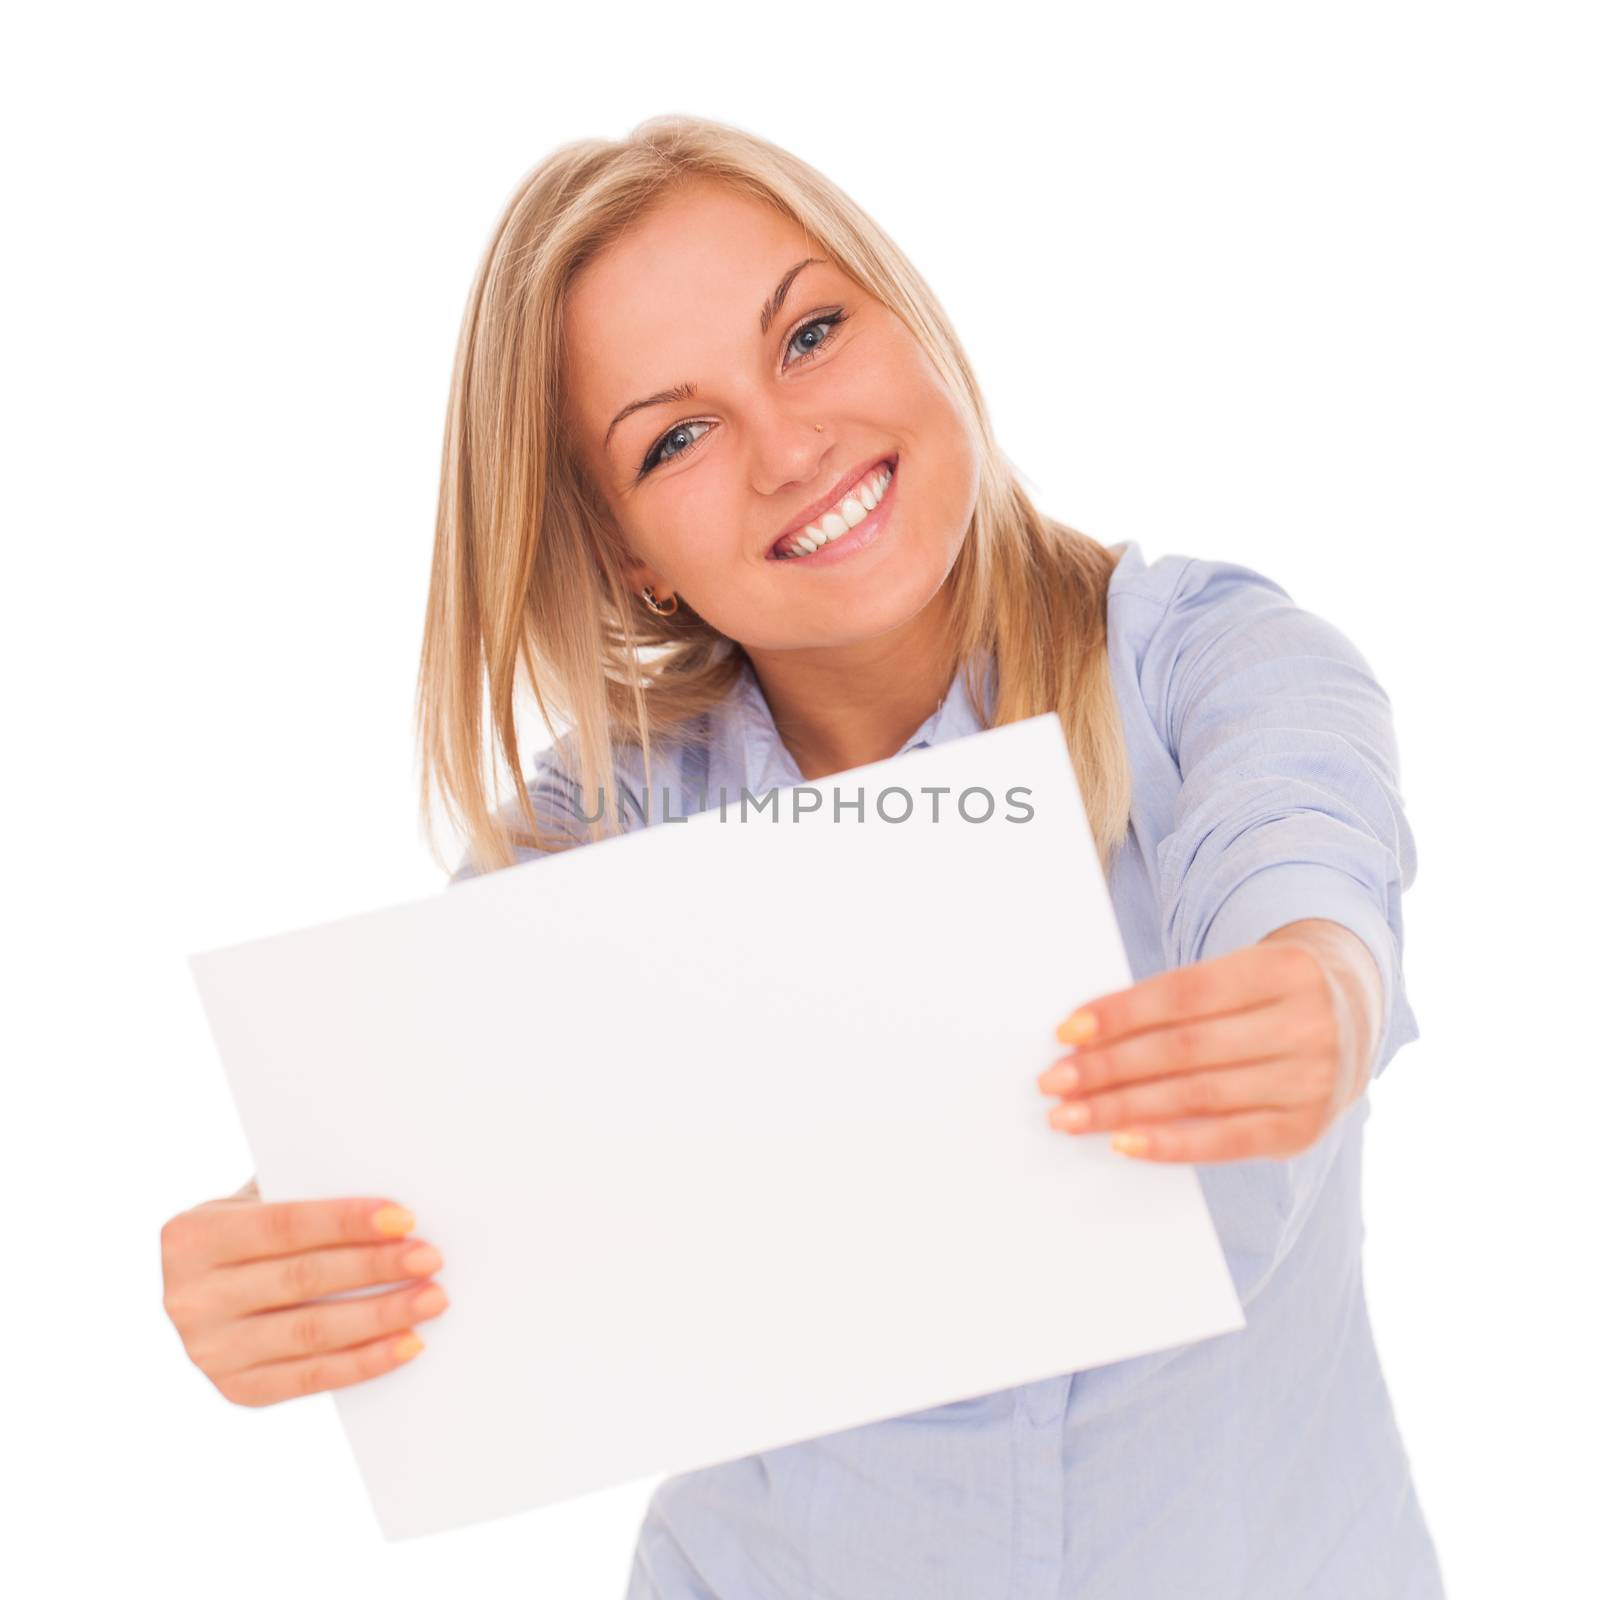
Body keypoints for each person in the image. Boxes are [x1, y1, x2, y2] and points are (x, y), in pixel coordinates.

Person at [162, 114, 1444, 1596]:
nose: (790, 447)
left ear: (910, 319)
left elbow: (1309, 865)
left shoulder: (1217, 670)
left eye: (813, 333)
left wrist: (1321, 993)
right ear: (633, 550)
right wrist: (272, 1267)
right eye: (678, 436)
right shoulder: (610, 824)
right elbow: (420, 1159)